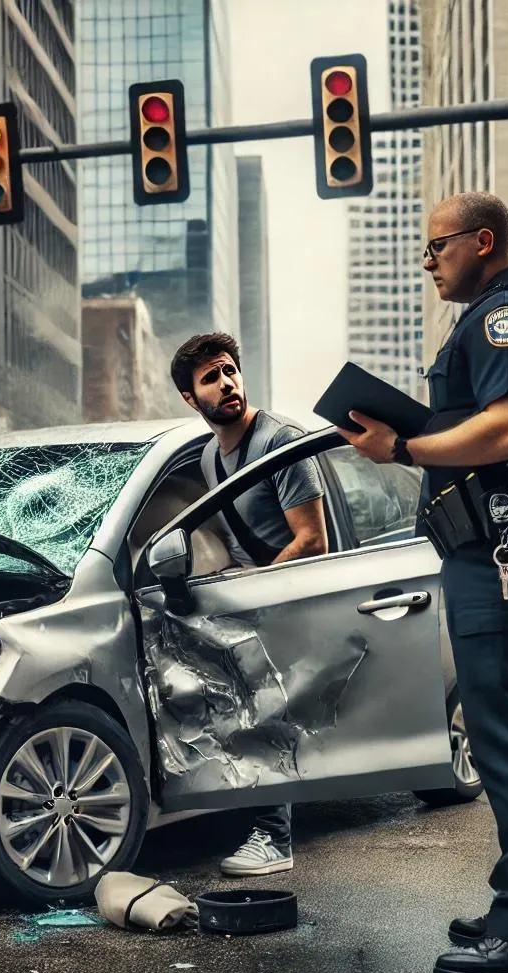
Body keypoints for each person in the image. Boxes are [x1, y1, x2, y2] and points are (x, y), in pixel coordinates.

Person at [337, 192, 508, 973]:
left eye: (438, 246)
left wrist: (403, 443)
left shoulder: (504, 318)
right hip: (500, 545)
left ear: (484, 241)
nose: (427, 261)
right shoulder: (504, 315)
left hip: (503, 547)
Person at [169, 332, 329, 877]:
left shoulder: (279, 440)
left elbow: (312, 540)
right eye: (211, 377)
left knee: (264, 708)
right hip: (252, 600)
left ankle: (275, 837)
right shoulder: (213, 458)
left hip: (295, 595)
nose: (228, 383)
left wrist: (255, 588)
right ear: (191, 399)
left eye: (230, 370)